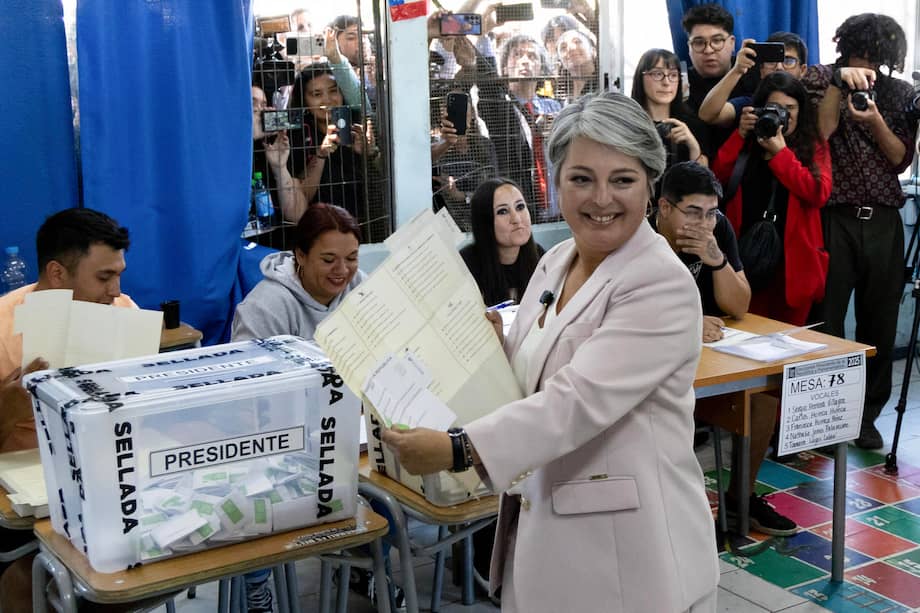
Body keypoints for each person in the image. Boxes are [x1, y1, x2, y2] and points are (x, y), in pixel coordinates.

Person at [382, 92, 719, 612]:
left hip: (630, 553)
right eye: (581, 178)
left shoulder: (660, 283)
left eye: (623, 180)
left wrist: (457, 449)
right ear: (556, 180)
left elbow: (575, 402)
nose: (601, 198)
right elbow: (530, 379)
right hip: (547, 536)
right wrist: (486, 350)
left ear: (651, 186)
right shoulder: (557, 261)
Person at [0, 207, 135, 613]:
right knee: (29, 577)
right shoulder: (3, 327)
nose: (116, 291)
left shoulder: (122, 314)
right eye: (104, 277)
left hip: (102, 484)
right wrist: (6, 407)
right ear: (58, 274)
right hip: (23, 499)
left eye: (119, 274)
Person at [653, 162, 797, 536]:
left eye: (711, 212)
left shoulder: (717, 230)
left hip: (713, 352)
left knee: (762, 397)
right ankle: (671, 512)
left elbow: (738, 306)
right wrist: (688, 322)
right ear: (664, 208)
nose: (703, 223)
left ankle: (740, 500)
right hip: (657, 358)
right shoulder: (639, 238)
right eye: (693, 213)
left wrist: (716, 259)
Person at [801, 14, 917, 450]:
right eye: (858, 54)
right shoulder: (821, 79)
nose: (865, 63)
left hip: (885, 219)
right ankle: (825, 420)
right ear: (844, 48)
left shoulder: (901, 94)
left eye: (874, 57)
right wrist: (838, 85)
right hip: (834, 217)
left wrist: (873, 120)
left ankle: (866, 418)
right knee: (827, 322)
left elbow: (900, 159)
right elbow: (823, 132)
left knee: (880, 324)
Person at [712, 71, 831, 327]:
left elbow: (818, 192)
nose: (783, 116)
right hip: (748, 256)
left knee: (790, 348)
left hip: (793, 266)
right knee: (746, 338)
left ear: (802, 111)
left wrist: (781, 153)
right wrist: (740, 135)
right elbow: (717, 180)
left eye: (790, 108)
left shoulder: (814, 145)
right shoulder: (747, 141)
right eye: (775, 108)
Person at [232, 203, 365, 341]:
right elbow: (253, 360)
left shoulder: (359, 285)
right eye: (328, 260)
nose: (342, 270)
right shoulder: (264, 308)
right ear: (301, 256)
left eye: (351, 258)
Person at [266, 62, 377, 224]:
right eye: (317, 94)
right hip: (318, 227)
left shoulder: (357, 128)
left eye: (333, 91)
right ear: (305, 102)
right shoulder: (296, 136)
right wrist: (321, 154)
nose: (328, 100)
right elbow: (298, 200)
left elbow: (378, 187)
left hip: (363, 223)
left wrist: (369, 153)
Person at [466, 34, 562, 219]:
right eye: (517, 55)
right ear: (504, 66)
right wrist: (484, 35)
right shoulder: (499, 106)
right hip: (521, 210)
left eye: (532, 56)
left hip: (558, 211)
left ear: (542, 68)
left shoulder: (555, 107)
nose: (525, 61)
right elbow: (488, 86)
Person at [461, 177, 545, 307]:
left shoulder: (541, 257)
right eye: (503, 211)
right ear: (485, 222)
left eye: (520, 207)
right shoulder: (466, 266)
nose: (516, 219)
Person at [630, 48, 711, 185]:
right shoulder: (628, 124)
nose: (666, 82)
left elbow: (703, 185)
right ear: (640, 77)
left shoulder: (693, 125)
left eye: (673, 75)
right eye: (657, 74)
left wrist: (693, 146)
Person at [681, 3, 755, 151]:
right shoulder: (677, 82)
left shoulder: (751, 73)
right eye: (699, 42)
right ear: (689, 47)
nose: (708, 50)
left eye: (717, 41)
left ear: (732, 43)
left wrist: (738, 70)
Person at [698, 32, 808, 128]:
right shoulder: (751, 103)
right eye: (770, 61)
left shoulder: (812, 104)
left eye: (788, 61)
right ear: (761, 70)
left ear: (802, 70)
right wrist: (737, 70)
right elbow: (707, 115)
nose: (779, 67)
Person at [555, 29, 597, 104]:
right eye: (563, 47)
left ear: (593, 51)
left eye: (577, 42)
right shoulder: (561, 97)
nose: (571, 48)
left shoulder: (606, 85)